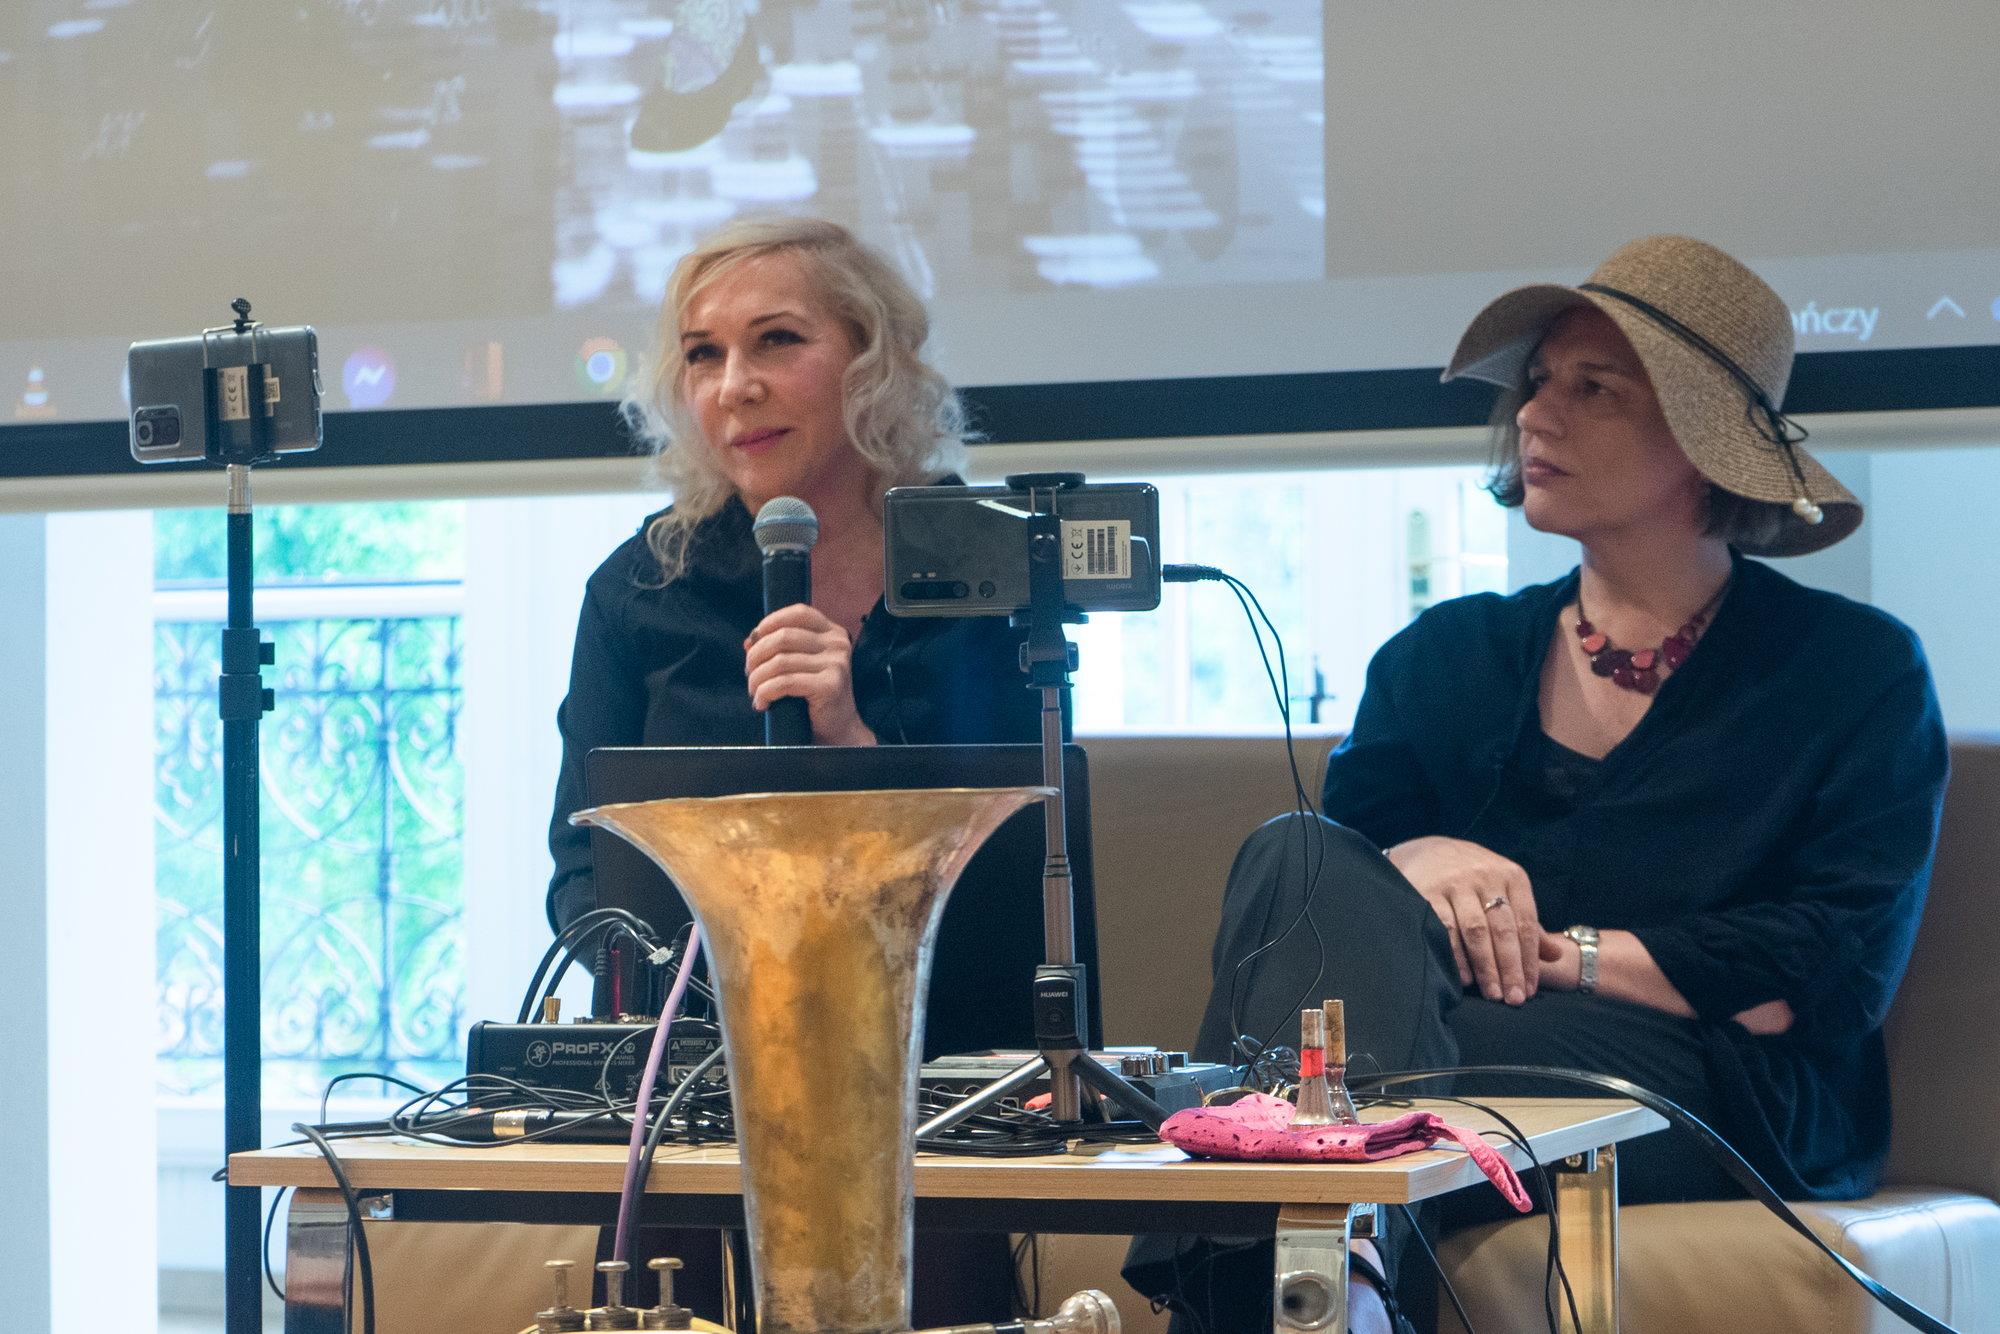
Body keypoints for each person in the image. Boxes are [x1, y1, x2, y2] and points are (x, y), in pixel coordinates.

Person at [1127, 235, 1949, 1333]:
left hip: (1709, 1086)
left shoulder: (1849, 668)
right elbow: (1331, 904)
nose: (1533, 414)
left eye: (1592, 387)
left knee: (1332, 1071)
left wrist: (1573, 957)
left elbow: (1829, 971)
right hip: (1432, 1038)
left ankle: (1286, 1289)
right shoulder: (1444, 654)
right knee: (1296, 848)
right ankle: (1339, 1287)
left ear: (1701, 444)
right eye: (1537, 381)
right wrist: (1419, 857)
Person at [544, 215, 1047, 1321]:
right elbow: (582, 869)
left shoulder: (989, 569)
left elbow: (1023, 882)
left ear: (872, 360)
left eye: (776, 340)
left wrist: (852, 745)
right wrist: (656, 1005)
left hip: (931, 1091)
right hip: (695, 1089)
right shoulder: (641, 588)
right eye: (703, 354)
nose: (735, 386)